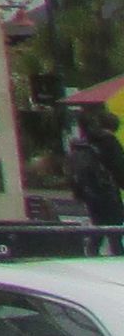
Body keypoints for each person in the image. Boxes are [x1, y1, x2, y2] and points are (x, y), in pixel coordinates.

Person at [69, 107, 124, 254]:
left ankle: (91, 253)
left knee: (99, 225)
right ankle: (118, 258)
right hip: (108, 192)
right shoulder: (110, 142)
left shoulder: (83, 143)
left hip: (89, 193)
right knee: (115, 229)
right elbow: (119, 167)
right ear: (115, 127)